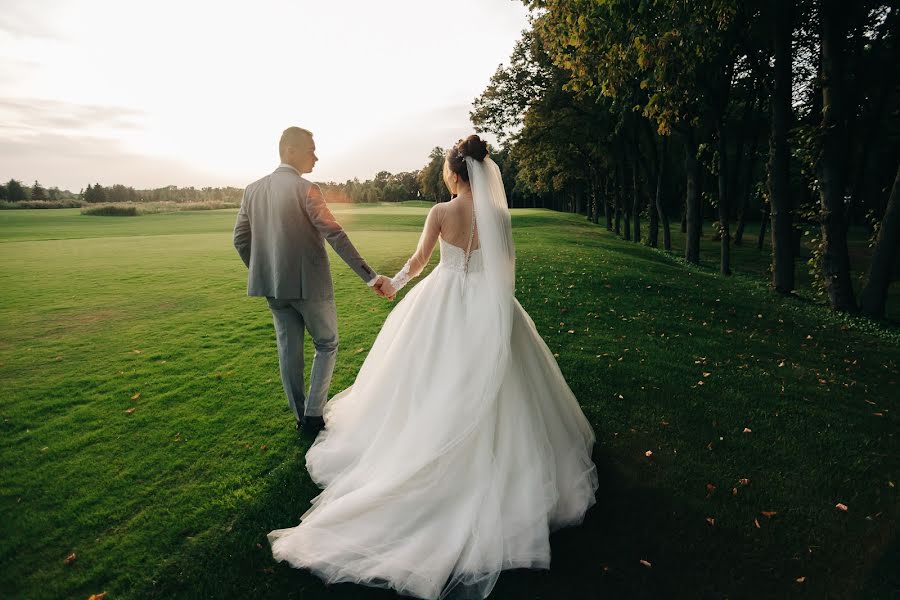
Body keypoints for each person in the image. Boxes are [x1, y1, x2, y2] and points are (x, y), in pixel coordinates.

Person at [268, 135, 598, 599]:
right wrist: (498, 307)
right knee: (499, 383)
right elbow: (505, 264)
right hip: (490, 304)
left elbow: (420, 262)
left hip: (443, 302)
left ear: (453, 173)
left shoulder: (441, 213)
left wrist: (392, 284)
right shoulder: (498, 215)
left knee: (427, 380)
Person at [233, 126, 392, 435]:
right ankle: (314, 415)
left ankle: (300, 417)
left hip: (273, 289)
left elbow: (240, 240)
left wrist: (264, 272)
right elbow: (335, 233)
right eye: (311, 150)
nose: (316, 157)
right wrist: (370, 277)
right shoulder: (307, 189)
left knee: (288, 352)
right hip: (311, 287)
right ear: (290, 151)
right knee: (327, 343)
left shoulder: (252, 190)